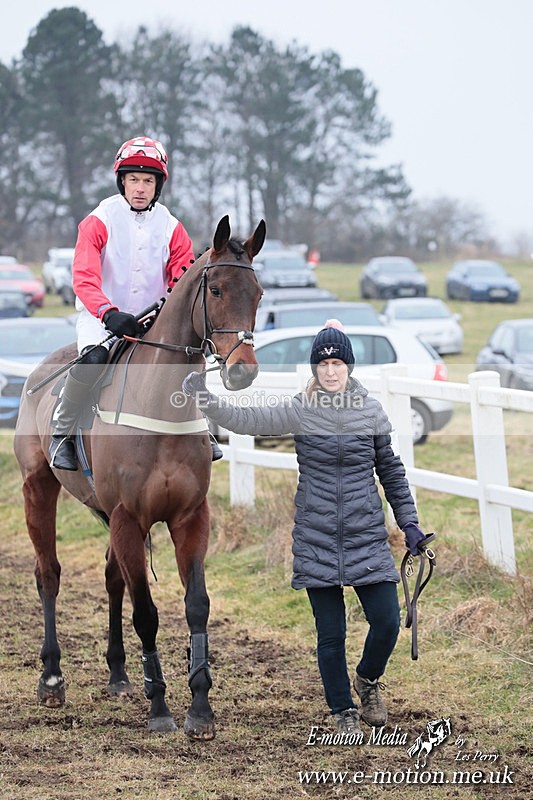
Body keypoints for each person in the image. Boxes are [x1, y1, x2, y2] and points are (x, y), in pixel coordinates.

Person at [181, 319, 429, 734]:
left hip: (366, 535)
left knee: (386, 622)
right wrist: (206, 399)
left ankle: (367, 681)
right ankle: (342, 710)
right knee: (330, 635)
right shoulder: (300, 408)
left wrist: (410, 523)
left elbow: (391, 471)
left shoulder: (370, 411)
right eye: (323, 363)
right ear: (315, 368)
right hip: (316, 537)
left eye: (338, 363)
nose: (331, 370)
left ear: (349, 367)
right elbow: (247, 419)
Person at [49, 135, 222, 470]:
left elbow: (182, 277)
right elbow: (84, 277)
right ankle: (62, 432)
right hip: (102, 319)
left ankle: (200, 425)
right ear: (122, 182)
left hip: (153, 320)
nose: (140, 188)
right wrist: (108, 313)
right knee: (94, 360)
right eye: (133, 180)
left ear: (157, 186)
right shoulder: (98, 220)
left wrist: (168, 309)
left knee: (188, 359)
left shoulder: (172, 226)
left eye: (147, 180)